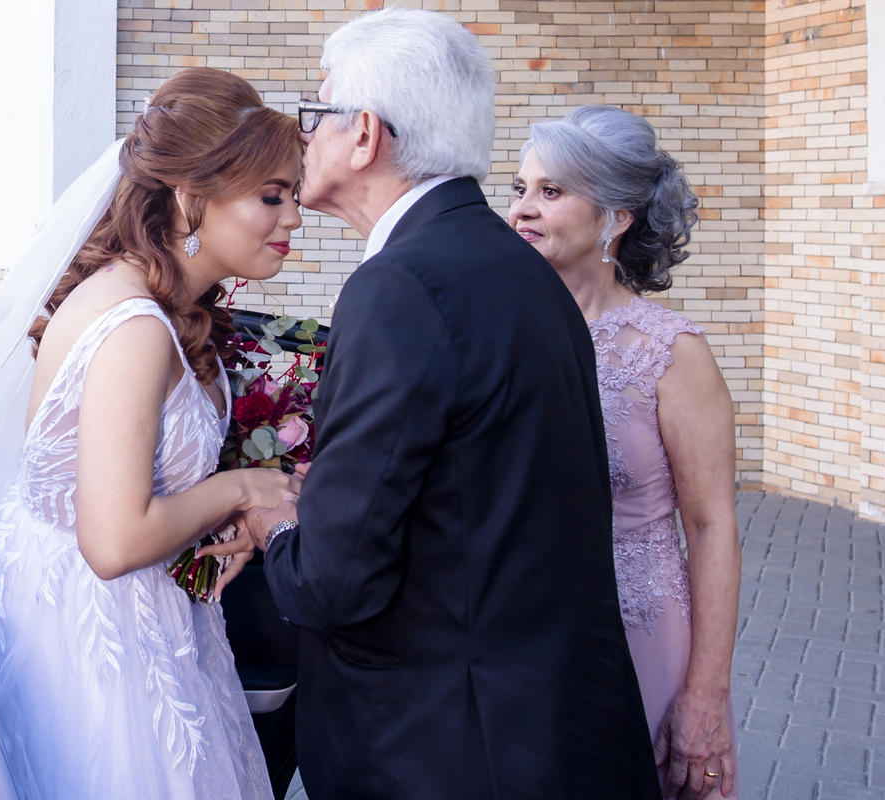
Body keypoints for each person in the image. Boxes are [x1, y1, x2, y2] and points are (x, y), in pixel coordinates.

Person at [240, 10, 661, 799]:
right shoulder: (521, 270)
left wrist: (274, 521)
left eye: (316, 115)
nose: (305, 139)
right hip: (551, 725)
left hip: (444, 744)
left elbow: (335, 580)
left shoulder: (399, 286)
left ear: (364, 134)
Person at [0, 68, 302, 799]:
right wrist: (241, 485)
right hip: (87, 650)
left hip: (141, 622)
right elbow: (113, 543)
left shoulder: (162, 305)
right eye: (271, 196)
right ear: (190, 196)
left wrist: (222, 521)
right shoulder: (135, 329)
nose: (294, 220)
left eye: (295, 197)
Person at [508, 104, 742, 800]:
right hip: (526, 636)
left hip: (642, 637)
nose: (522, 209)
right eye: (518, 188)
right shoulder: (508, 333)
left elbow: (712, 526)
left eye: (551, 192)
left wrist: (704, 694)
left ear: (616, 217)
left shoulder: (671, 352)